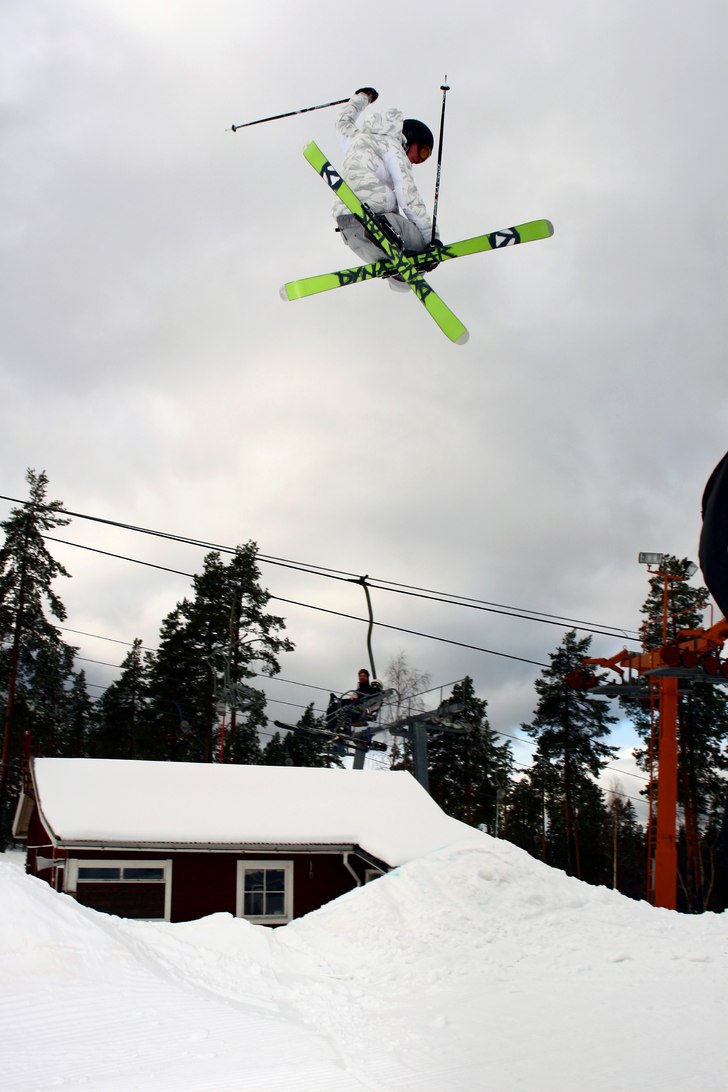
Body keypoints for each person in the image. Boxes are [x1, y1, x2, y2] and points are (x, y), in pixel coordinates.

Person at [332, 87, 438, 287]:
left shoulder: (358, 138)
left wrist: (362, 98)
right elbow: (409, 197)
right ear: (409, 137)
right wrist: (432, 241)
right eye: (422, 152)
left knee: (399, 276)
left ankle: (396, 269)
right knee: (419, 243)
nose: (418, 161)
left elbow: (342, 123)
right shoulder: (394, 148)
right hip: (375, 217)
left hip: (348, 227)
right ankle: (385, 233)